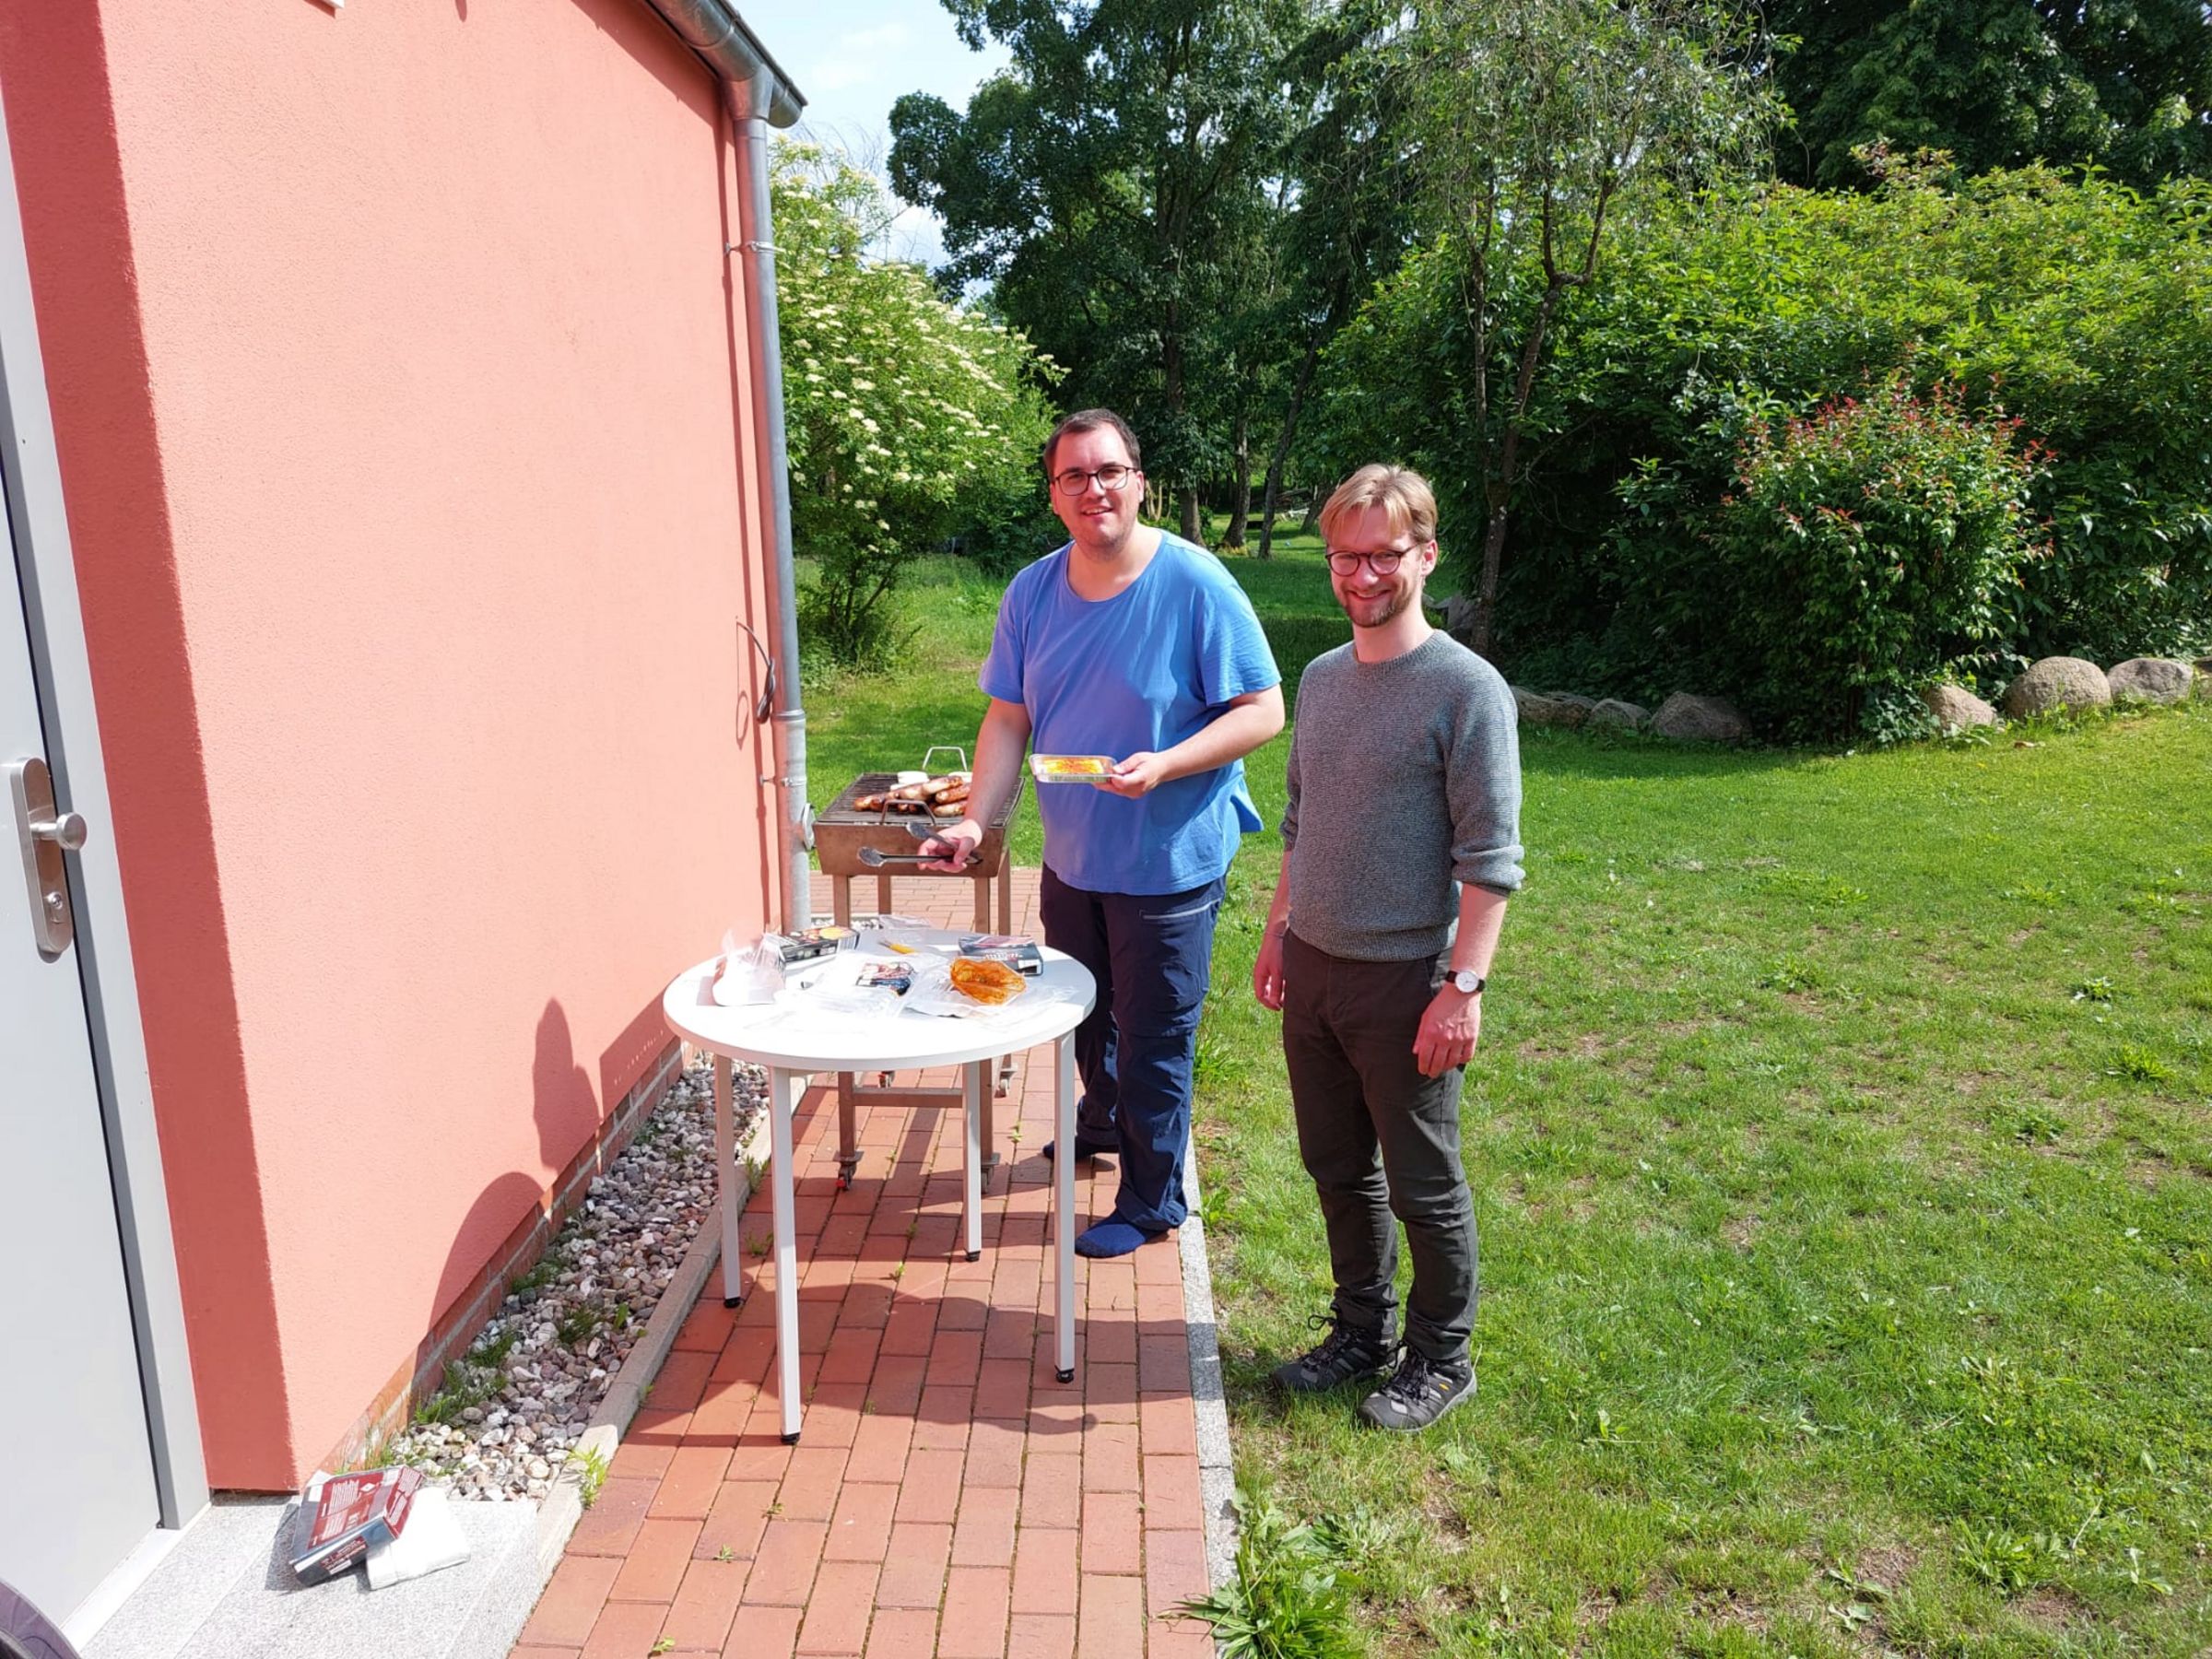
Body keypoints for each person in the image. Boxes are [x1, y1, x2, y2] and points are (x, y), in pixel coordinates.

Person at [920, 409, 1284, 1258]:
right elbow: (1008, 717)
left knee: (1155, 1035)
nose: (1095, 489)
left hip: (1168, 860)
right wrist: (975, 818)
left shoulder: (1195, 583)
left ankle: (1153, 1203)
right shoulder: (1032, 591)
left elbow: (1264, 710)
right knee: (1087, 1013)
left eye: (1110, 471)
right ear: (1054, 495)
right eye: (1074, 476)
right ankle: (1106, 1119)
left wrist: (1168, 764)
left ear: (1139, 481)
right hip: (1075, 856)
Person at [1251, 464, 1523, 1432]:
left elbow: (1490, 856)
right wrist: (1279, 929)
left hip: (1407, 982)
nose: (1362, 575)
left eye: (1383, 555)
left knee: (1423, 1183)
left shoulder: (1466, 690)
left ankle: (1442, 1359)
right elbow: (1300, 819)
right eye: (1345, 557)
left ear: (1426, 554)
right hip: (1316, 969)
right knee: (1337, 1167)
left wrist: (1463, 986)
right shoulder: (1323, 679)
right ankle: (1360, 1332)